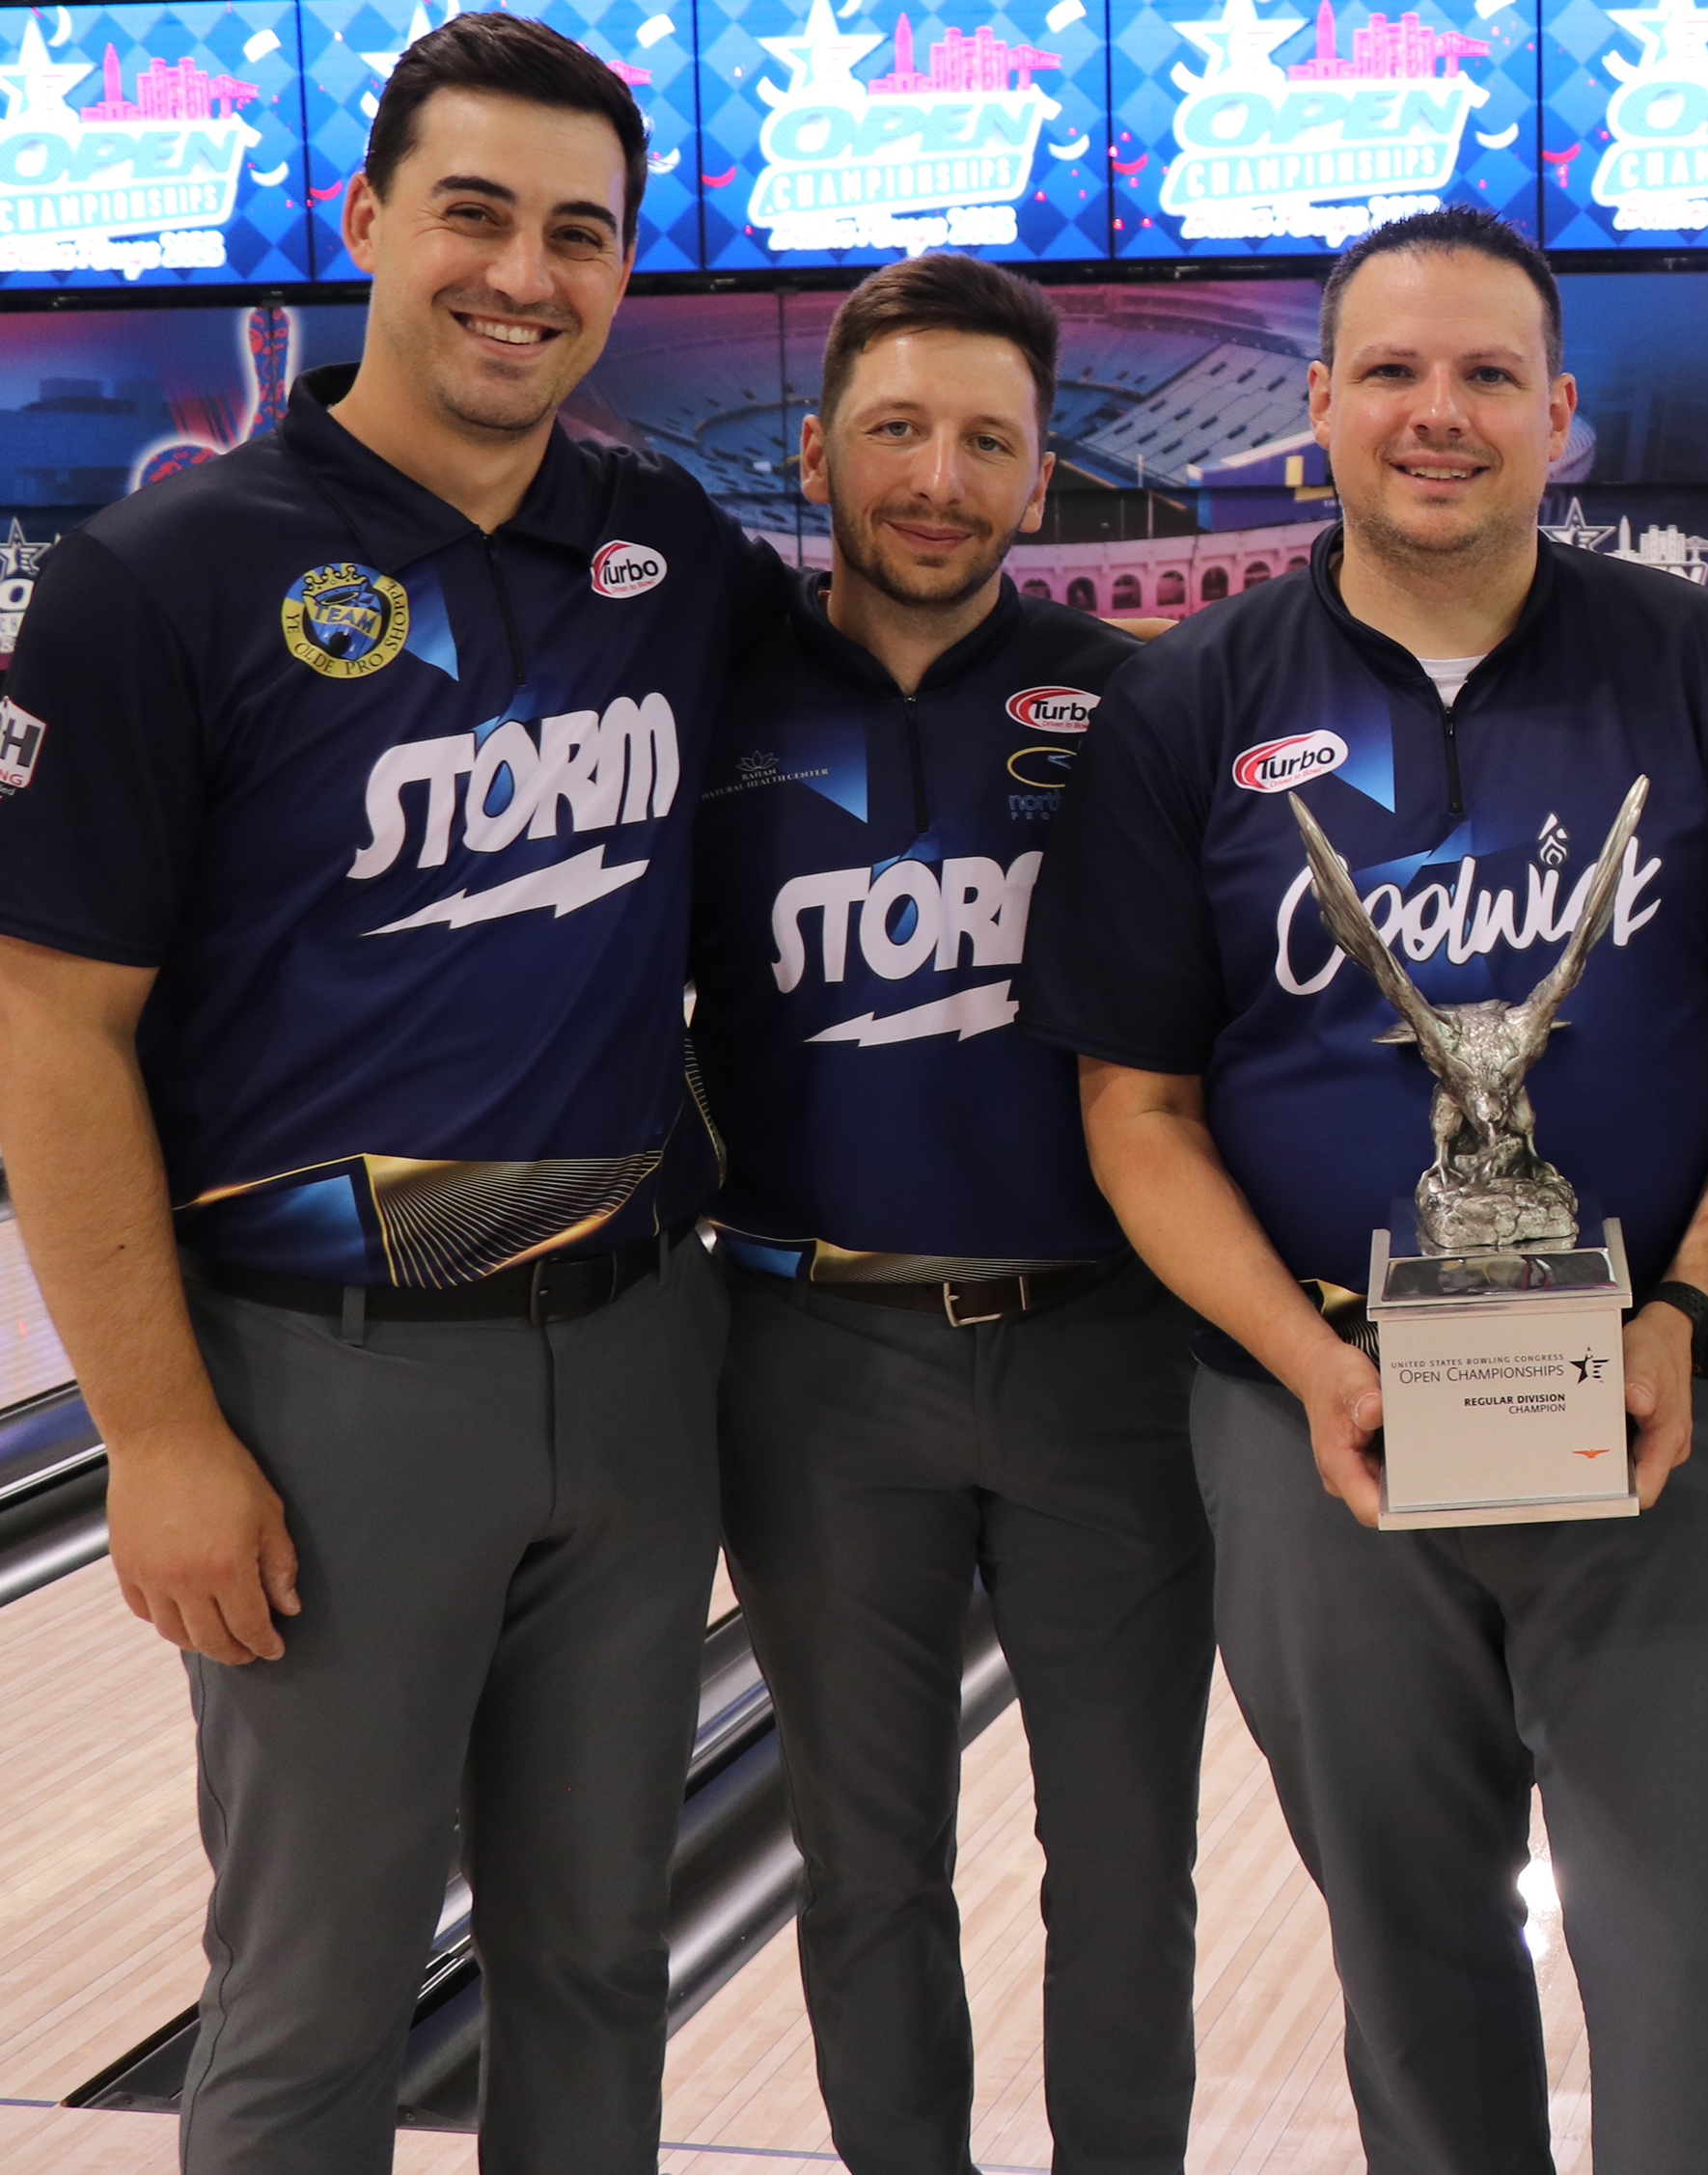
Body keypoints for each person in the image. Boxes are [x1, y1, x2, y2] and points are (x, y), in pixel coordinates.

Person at [1014, 205, 1708, 2175]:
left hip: (1656, 1413)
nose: (1439, 413)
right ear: (1313, 406)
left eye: (1487, 374)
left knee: (1695, 1976)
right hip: (1316, 1425)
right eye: (1393, 373)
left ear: (1559, 415)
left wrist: (1683, 1308)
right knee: (1413, 1985)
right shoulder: (1187, 708)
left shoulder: (1696, 668)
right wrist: (1302, 1364)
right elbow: (1135, 1108)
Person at [0, 17, 782, 2171]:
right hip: (321, 1384)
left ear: (624, 270)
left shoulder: (664, 554)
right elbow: (48, 1028)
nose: (522, 272)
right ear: (361, 221)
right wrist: (153, 1437)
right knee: (320, 1990)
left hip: (635, 1356)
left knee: (600, 1961)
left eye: (578, 233)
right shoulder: (160, 580)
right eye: (473, 213)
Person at [687, 253, 1207, 2175]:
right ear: (815, 449)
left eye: (986, 439)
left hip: (1106, 1353)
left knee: (1127, 1860)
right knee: (863, 1858)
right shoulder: (712, 702)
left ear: (1040, 480)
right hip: (814, 1352)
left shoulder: (1138, 707)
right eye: (896, 429)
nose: (936, 474)